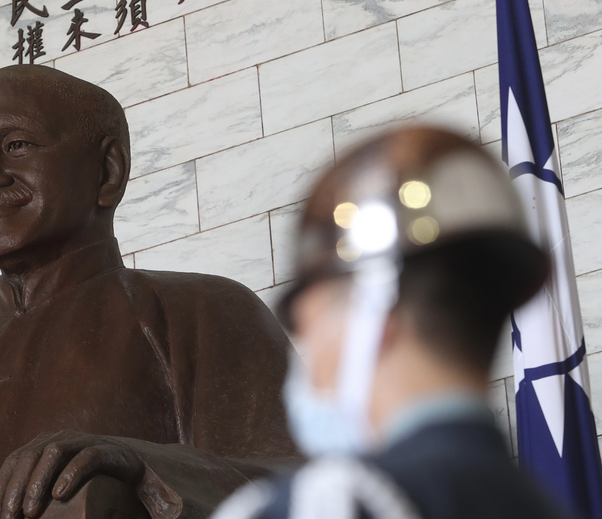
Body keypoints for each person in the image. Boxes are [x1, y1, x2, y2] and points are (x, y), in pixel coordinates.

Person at [0, 65, 298, 519]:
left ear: (107, 171)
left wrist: (141, 466)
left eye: (16, 145)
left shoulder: (199, 312)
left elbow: (311, 485)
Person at [212, 126, 568, 519]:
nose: (304, 357)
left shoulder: (325, 506)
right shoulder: (543, 507)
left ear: (374, 313)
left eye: (306, 328)